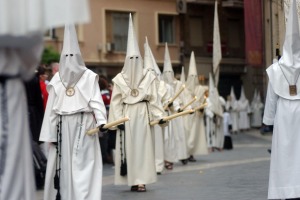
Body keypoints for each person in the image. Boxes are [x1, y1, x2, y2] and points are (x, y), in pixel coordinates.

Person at [39, 24, 107, 200]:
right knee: (64, 166)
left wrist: (101, 121)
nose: (69, 59)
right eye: (66, 56)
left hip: (84, 126)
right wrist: (50, 134)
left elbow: (96, 101)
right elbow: (51, 110)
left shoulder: (89, 77)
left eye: (73, 56)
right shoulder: (56, 80)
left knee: (84, 165)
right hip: (62, 128)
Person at [108, 14, 166, 192]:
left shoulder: (148, 77)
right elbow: (116, 102)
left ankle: (141, 179)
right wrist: (117, 121)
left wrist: (159, 115)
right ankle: (132, 179)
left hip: (143, 114)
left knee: (143, 149)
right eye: (130, 60)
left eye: (136, 60)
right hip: (126, 117)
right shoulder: (119, 79)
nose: (133, 63)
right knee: (129, 149)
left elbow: (155, 99)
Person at [263, 1, 300, 199]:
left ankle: (285, 189)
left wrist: (268, 120)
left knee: (284, 153)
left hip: (284, 115)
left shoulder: (276, 70)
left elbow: (271, 98)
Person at [162, 43, 190, 168]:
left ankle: (181, 156)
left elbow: (180, 98)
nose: (168, 73)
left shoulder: (178, 84)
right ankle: (165, 159)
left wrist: (178, 108)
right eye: (166, 71)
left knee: (178, 136)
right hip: (164, 115)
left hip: (175, 114)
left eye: (170, 71)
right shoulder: (160, 85)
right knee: (166, 139)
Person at [185, 51, 208, 161]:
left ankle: (191, 153)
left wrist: (201, 108)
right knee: (186, 135)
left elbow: (203, 101)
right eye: (191, 76)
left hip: (196, 116)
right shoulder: (185, 89)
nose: (193, 78)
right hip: (186, 116)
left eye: (195, 76)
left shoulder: (200, 89)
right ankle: (185, 153)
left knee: (194, 136)